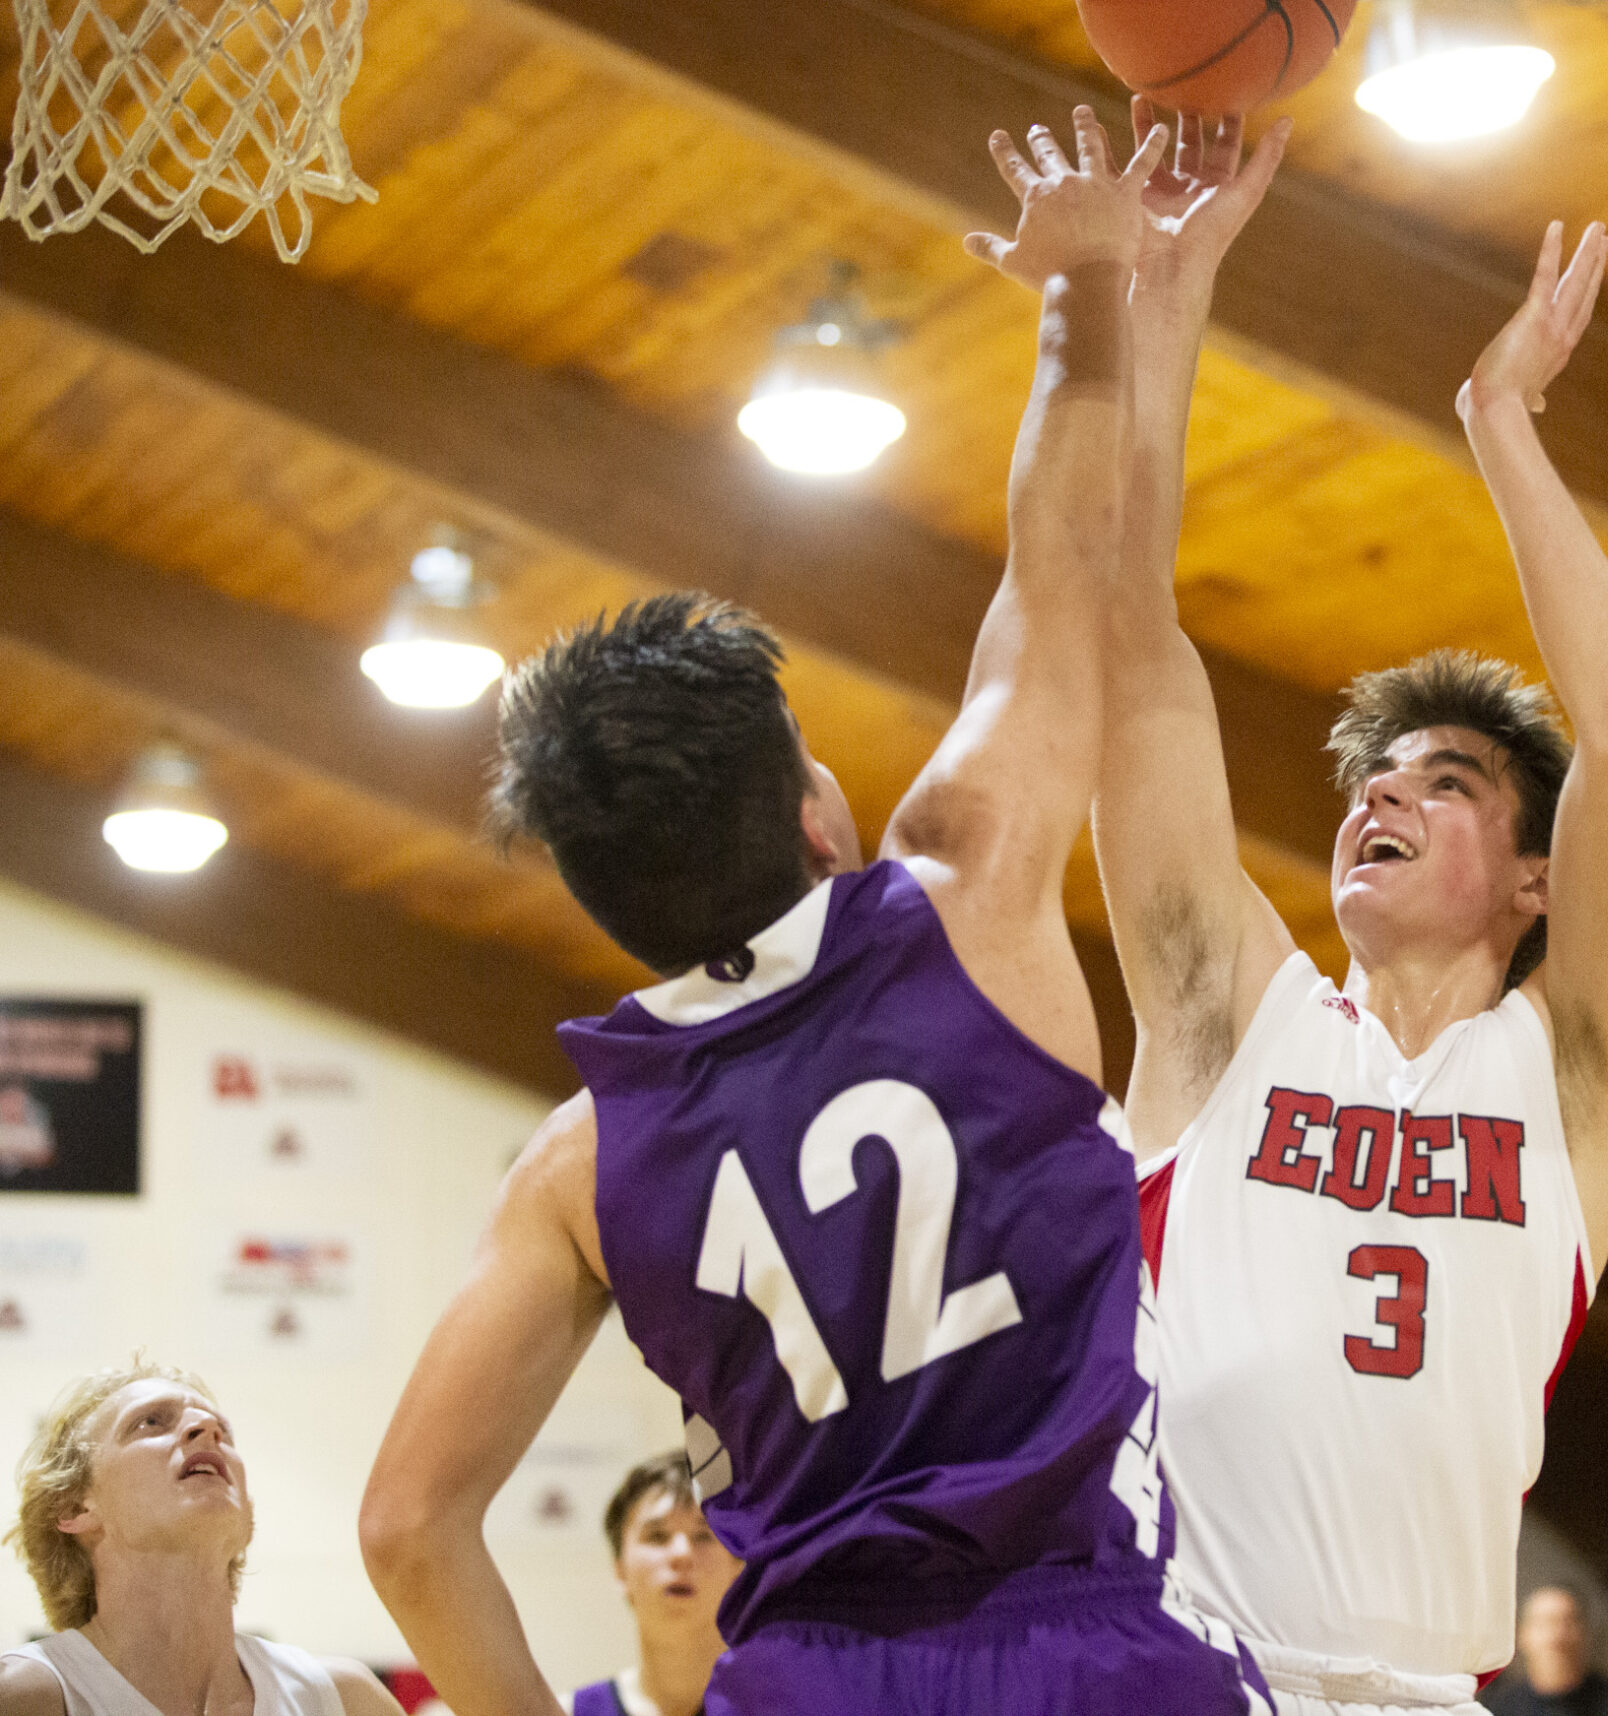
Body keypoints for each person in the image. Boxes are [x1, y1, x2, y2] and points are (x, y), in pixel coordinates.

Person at [359, 107, 1267, 1716]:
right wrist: (1084, 289)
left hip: (807, 1683)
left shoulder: (579, 1162)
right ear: (816, 814)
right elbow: (1064, 555)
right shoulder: (964, 889)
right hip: (1094, 1638)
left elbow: (408, 1526)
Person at [1063, 102, 1608, 1714]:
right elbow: (1132, 638)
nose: (1382, 797)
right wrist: (1167, 302)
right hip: (1192, 1666)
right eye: (1374, 778)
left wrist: (1501, 419)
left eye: (1448, 782)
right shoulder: (1228, 1012)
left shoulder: (1576, 1075)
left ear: (1538, 876)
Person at [0, 1359, 405, 1716]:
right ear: (74, 1508)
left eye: (224, 1431)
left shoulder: (349, 1701)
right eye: (151, 1421)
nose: (207, 1428)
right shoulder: (26, 1697)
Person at [567, 1454, 741, 1716]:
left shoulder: (794, 1707)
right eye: (657, 1536)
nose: (681, 1553)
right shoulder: (563, 1711)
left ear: (738, 1569)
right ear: (620, 1570)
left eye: (704, 1535)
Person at [1481, 1587, 1608, 1716]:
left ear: (1585, 1633)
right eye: (1544, 1624)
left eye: (1567, 1622)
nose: (1556, 1636)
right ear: (1522, 1635)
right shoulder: (1499, 1708)